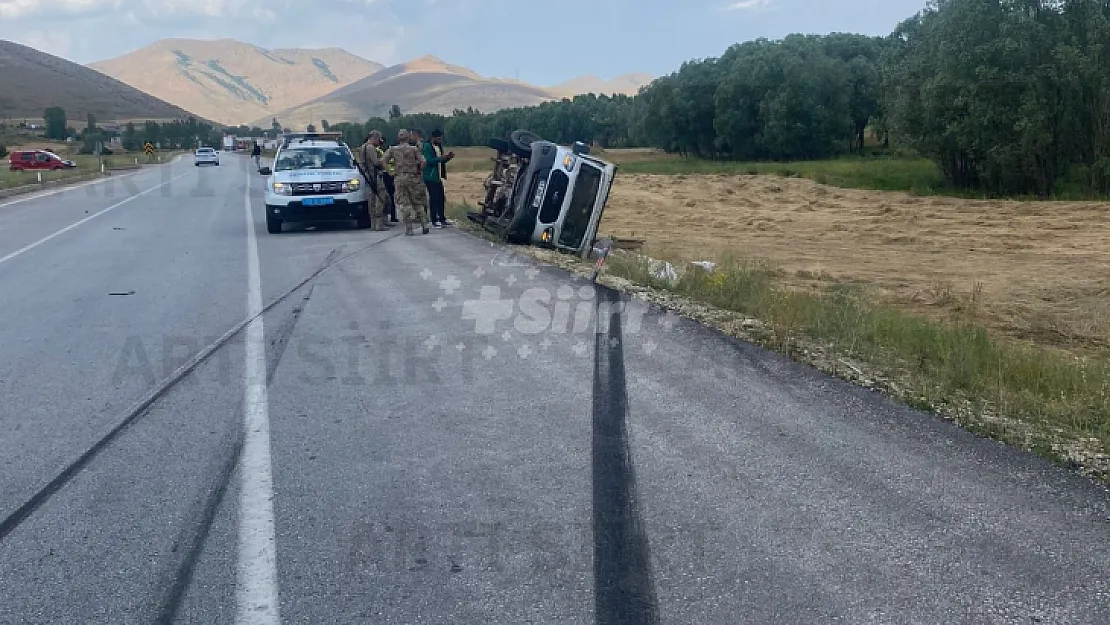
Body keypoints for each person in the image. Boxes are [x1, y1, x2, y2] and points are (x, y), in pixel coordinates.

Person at [381, 129, 430, 235]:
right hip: (413, 177)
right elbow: (423, 161)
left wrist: (390, 172)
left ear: (399, 138)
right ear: (408, 137)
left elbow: (382, 160)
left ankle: (409, 228)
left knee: (404, 203)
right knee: (417, 201)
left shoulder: (393, 149)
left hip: (400, 177)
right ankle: (424, 224)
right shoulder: (413, 149)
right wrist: (419, 170)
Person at [358, 131, 392, 231]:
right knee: (381, 199)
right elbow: (376, 162)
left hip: (368, 177)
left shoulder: (362, 147)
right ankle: (379, 224)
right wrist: (383, 160)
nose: (379, 142)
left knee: (371, 200)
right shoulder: (370, 148)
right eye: (379, 139)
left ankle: (373, 224)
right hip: (375, 177)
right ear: (375, 138)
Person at [422, 129, 454, 227]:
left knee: (441, 198)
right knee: (434, 198)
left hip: (438, 176)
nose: (440, 141)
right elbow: (430, 161)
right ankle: (434, 220)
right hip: (430, 177)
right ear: (433, 138)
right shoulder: (427, 146)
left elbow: (440, 161)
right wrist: (441, 158)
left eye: (441, 139)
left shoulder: (438, 146)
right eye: (439, 139)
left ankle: (442, 218)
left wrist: (447, 158)